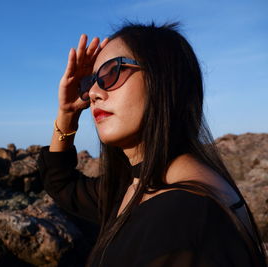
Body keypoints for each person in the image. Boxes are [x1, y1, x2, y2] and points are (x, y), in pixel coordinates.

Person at [37, 22, 267, 266]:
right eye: (90, 82)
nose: (93, 92)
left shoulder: (183, 218)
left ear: (164, 77)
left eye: (110, 72)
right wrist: (68, 112)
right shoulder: (139, 186)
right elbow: (61, 183)